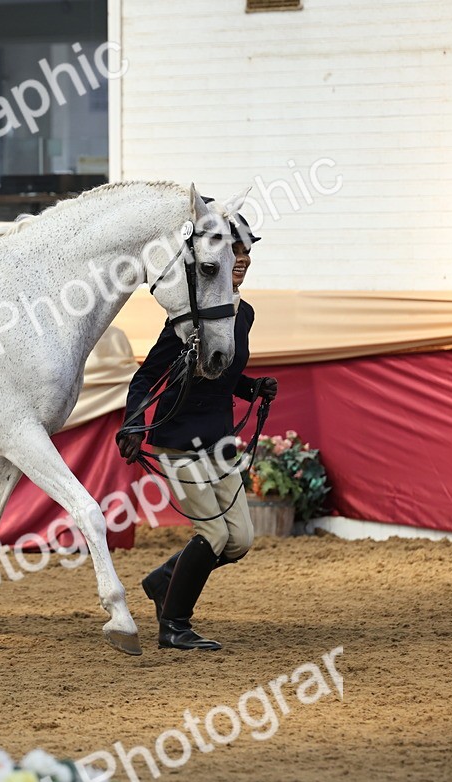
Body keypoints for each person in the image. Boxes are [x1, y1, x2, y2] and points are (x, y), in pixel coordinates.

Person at [116, 209, 278, 651]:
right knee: (214, 535)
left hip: (219, 439)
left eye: (246, 252)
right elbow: (146, 377)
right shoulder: (188, 316)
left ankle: (163, 582)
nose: (241, 259)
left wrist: (251, 387)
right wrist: (134, 423)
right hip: (178, 440)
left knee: (239, 540)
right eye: (234, 251)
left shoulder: (243, 314)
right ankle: (174, 625)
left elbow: (220, 370)